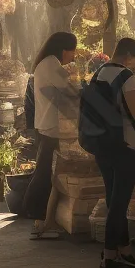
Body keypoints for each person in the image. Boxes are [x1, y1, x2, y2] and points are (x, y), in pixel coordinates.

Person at [87, 38, 135, 268]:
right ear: (129, 56)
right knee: (120, 203)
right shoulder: (125, 76)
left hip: (102, 145)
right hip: (125, 145)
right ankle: (109, 257)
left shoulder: (99, 72)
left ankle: (124, 252)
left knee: (114, 199)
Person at [23, 32, 80, 238]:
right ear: (64, 49)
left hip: (49, 125)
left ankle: (47, 221)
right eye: (73, 51)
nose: (73, 56)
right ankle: (38, 219)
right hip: (53, 126)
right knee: (46, 173)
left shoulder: (47, 63)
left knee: (53, 174)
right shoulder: (51, 64)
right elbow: (72, 90)